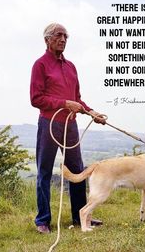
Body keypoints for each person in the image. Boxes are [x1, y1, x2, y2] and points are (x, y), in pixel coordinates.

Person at [30, 23, 105, 234]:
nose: (63, 39)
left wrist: (92, 113)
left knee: (77, 170)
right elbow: (36, 98)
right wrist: (64, 104)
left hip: (71, 125)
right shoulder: (40, 65)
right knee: (44, 172)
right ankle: (43, 221)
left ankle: (80, 216)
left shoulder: (71, 66)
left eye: (66, 36)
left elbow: (77, 100)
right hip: (49, 124)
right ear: (47, 39)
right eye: (58, 35)